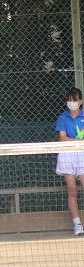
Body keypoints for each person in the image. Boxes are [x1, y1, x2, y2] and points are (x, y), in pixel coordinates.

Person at [55, 88, 84, 236]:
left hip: (82, 154)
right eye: (69, 100)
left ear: (80, 101)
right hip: (67, 154)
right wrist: (78, 141)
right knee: (72, 190)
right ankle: (77, 224)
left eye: (74, 100)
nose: (71, 102)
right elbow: (62, 138)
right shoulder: (63, 117)